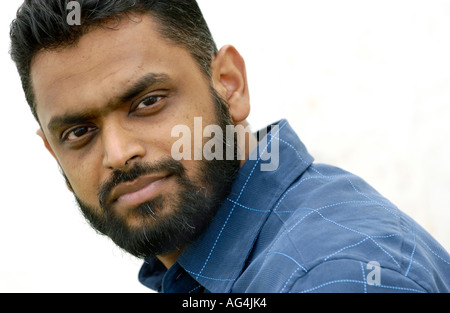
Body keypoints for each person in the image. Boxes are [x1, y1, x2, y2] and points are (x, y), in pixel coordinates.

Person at [9, 0, 450, 293]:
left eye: (147, 103)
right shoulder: (205, 270)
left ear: (229, 85)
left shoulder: (330, 275)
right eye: (78, 132)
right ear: (53, 153)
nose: (119, 152)